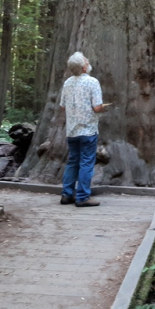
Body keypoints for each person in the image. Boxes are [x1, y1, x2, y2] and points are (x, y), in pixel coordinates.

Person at [59, 51, 107, 207]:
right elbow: (97, 107)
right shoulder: (92, 82)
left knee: (73, 161)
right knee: (86, 162)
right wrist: (103, 108)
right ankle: (82, 197)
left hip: (72, 131)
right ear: (84, 68)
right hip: (88, 130)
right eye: (86, 61)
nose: (88, 62)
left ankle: (67, 195)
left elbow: (62, 106)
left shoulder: (67, 83)